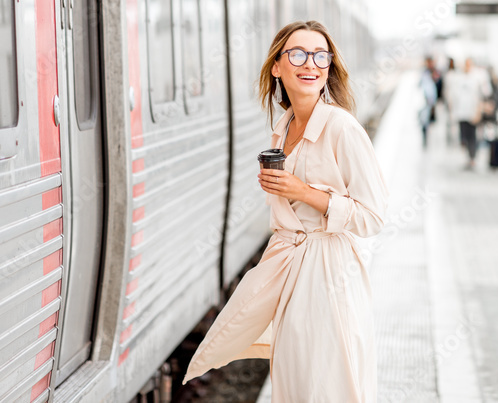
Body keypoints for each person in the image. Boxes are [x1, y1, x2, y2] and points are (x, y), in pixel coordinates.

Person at [183, 21, 388, 402]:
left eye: (320, 55)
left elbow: (373, 216)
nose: (310, 64)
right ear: (277, 66)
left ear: (329, 67)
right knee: (295, 382)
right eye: (297, 54)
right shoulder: (284, 127)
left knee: (326, 385)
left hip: (329, 273)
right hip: (292, 270)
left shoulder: (342, 128)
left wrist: (304, 192)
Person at [446, 58, 490, 170]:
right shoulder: (457, 78)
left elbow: (484, 94)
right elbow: (453, 95)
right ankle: (468, 156)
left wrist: (479, 110)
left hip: (473, 112)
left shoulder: (478, 77)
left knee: (473, 136)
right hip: (461, 112)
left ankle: (472, 157)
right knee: (463, 136)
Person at [418, 57, 438, 147]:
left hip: (432, 101)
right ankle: (425, 137)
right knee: (424, 120)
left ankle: (427, 133)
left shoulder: (435, 72)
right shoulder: (424, 73)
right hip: (424, 100)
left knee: (430, 120)